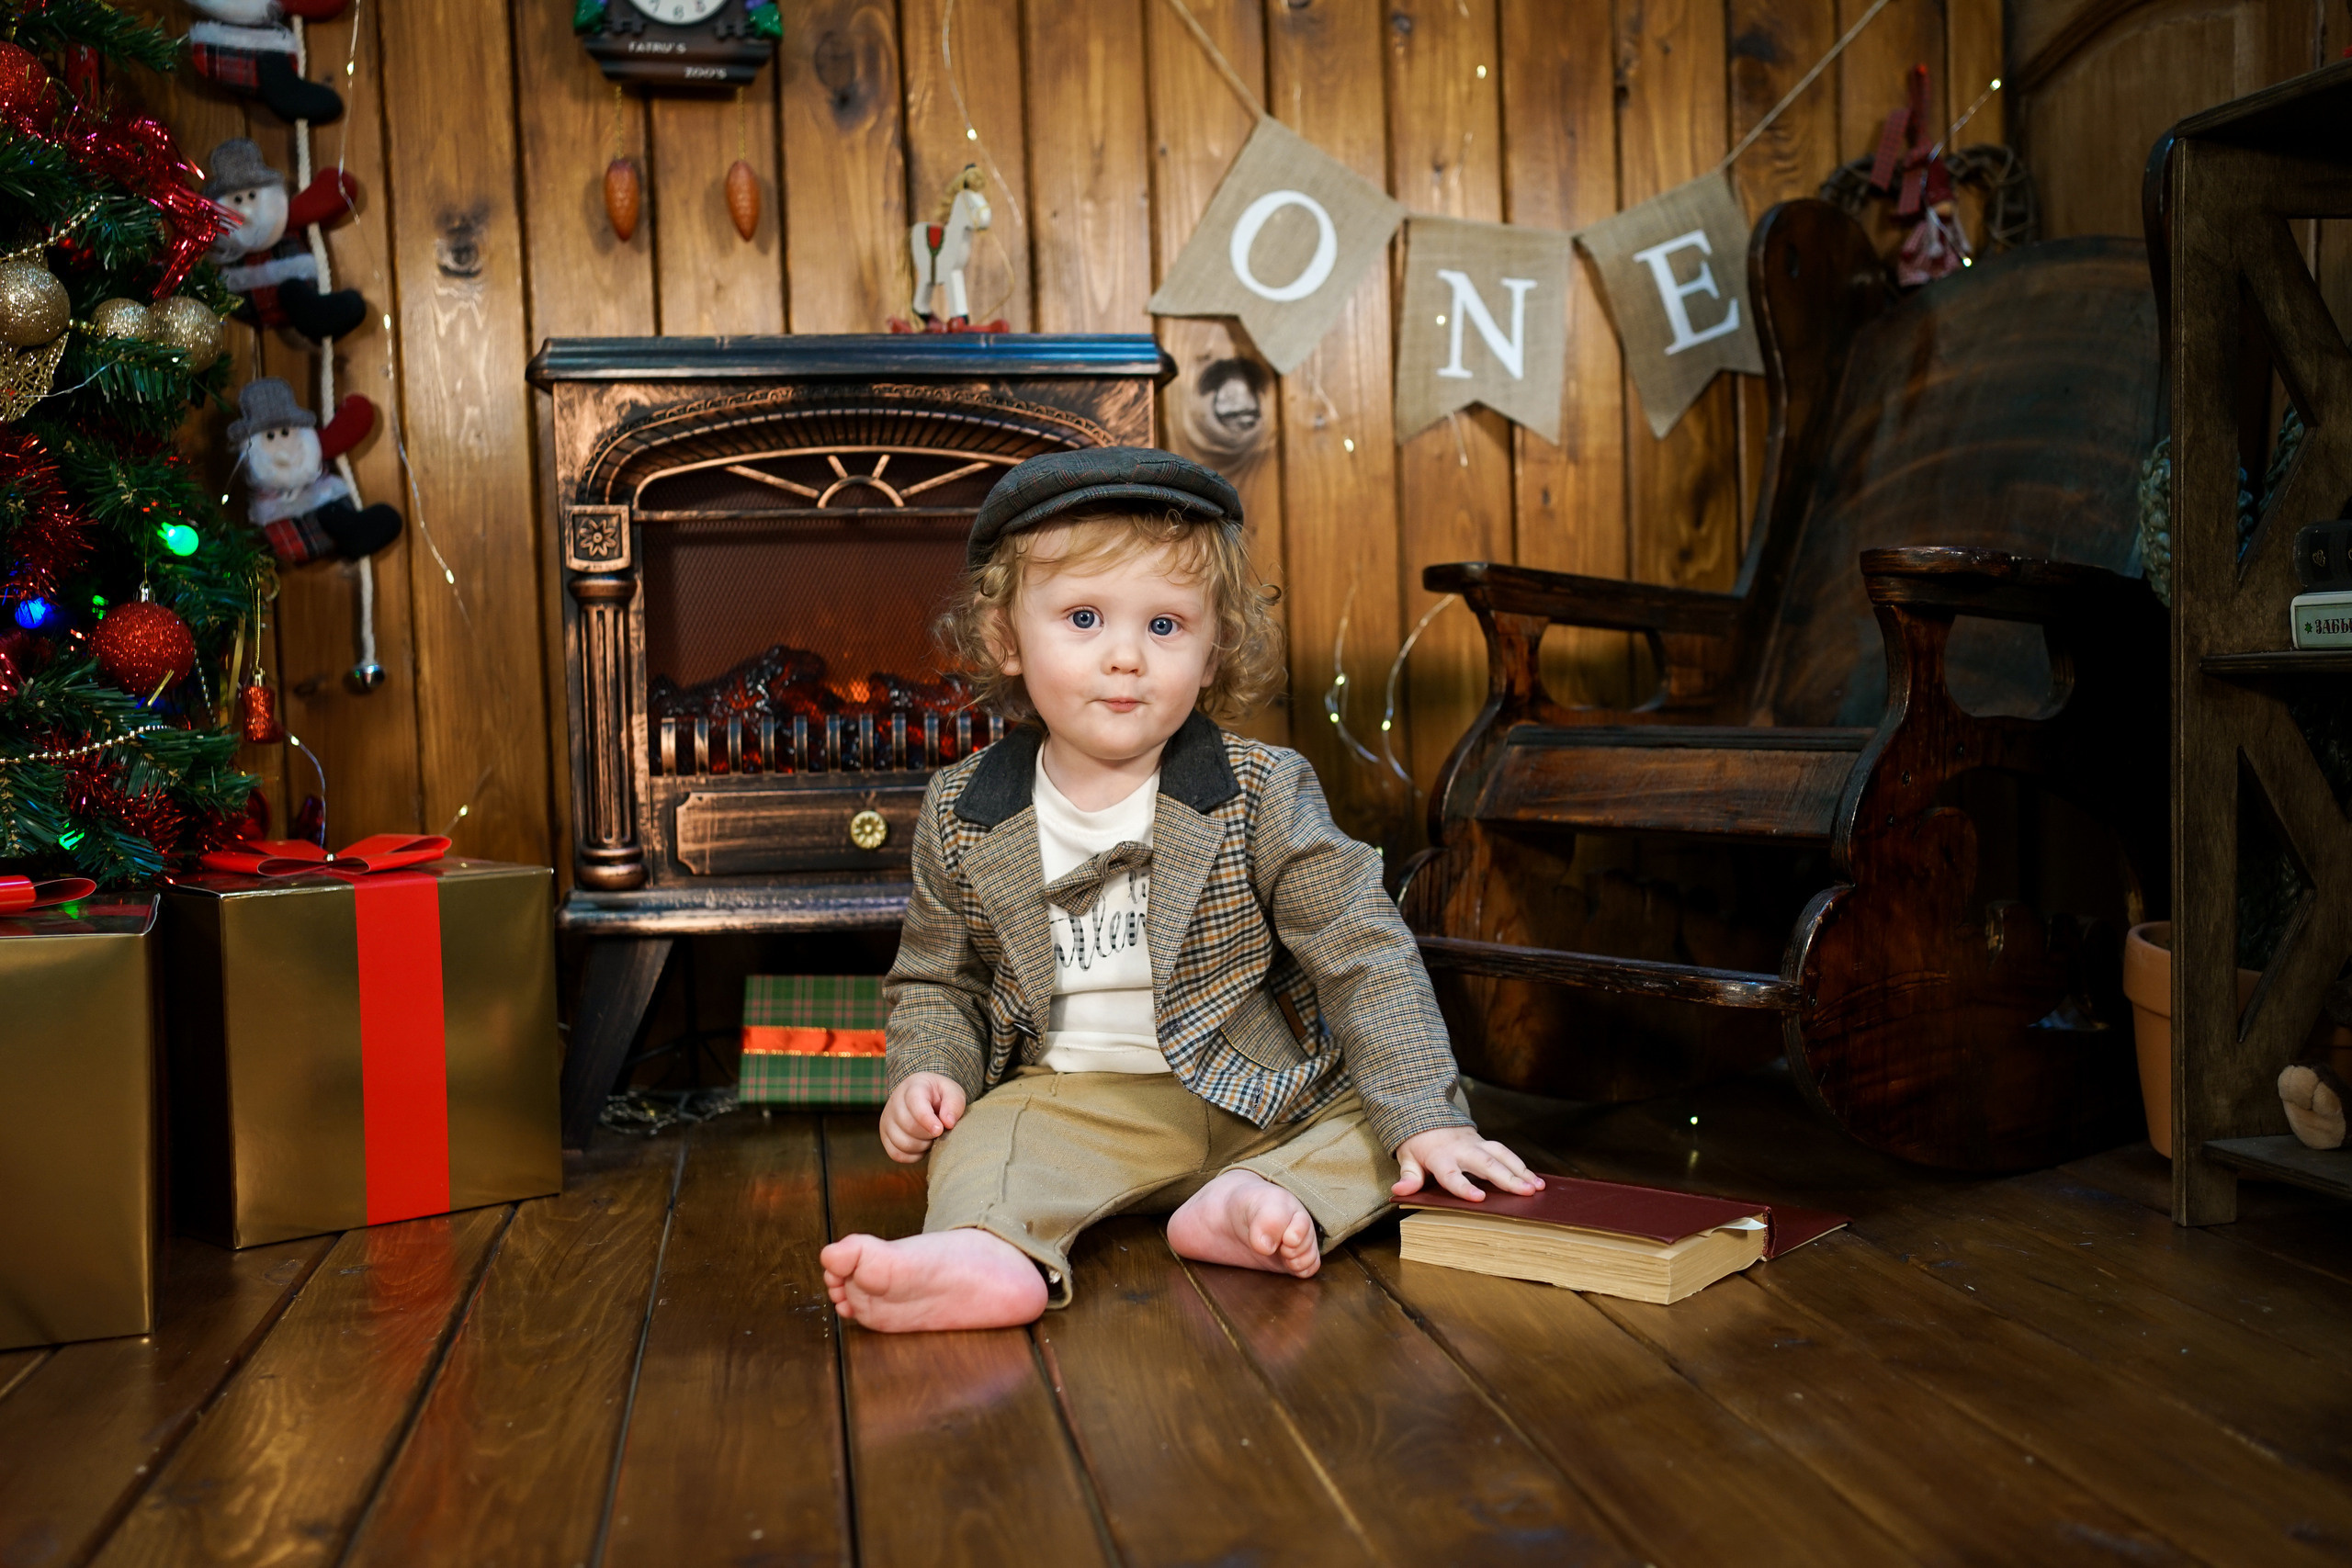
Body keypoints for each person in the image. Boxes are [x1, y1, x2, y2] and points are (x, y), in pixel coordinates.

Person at [820, 448, 1541, 1332]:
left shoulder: (1261, 790)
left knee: (1397, 1120)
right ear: (1007, 638)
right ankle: (986, 1249)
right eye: (1084, 618)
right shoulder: (967, 808)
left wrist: (1425, 1116)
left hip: (1266, 1095)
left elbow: (1362, 950)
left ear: (1212, 651)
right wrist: (930, 1068)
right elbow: (940, 979)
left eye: (1165, 625)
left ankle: (1254, 1199)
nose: (1126, 657)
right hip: (1077, 1102)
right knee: (984, 1141)